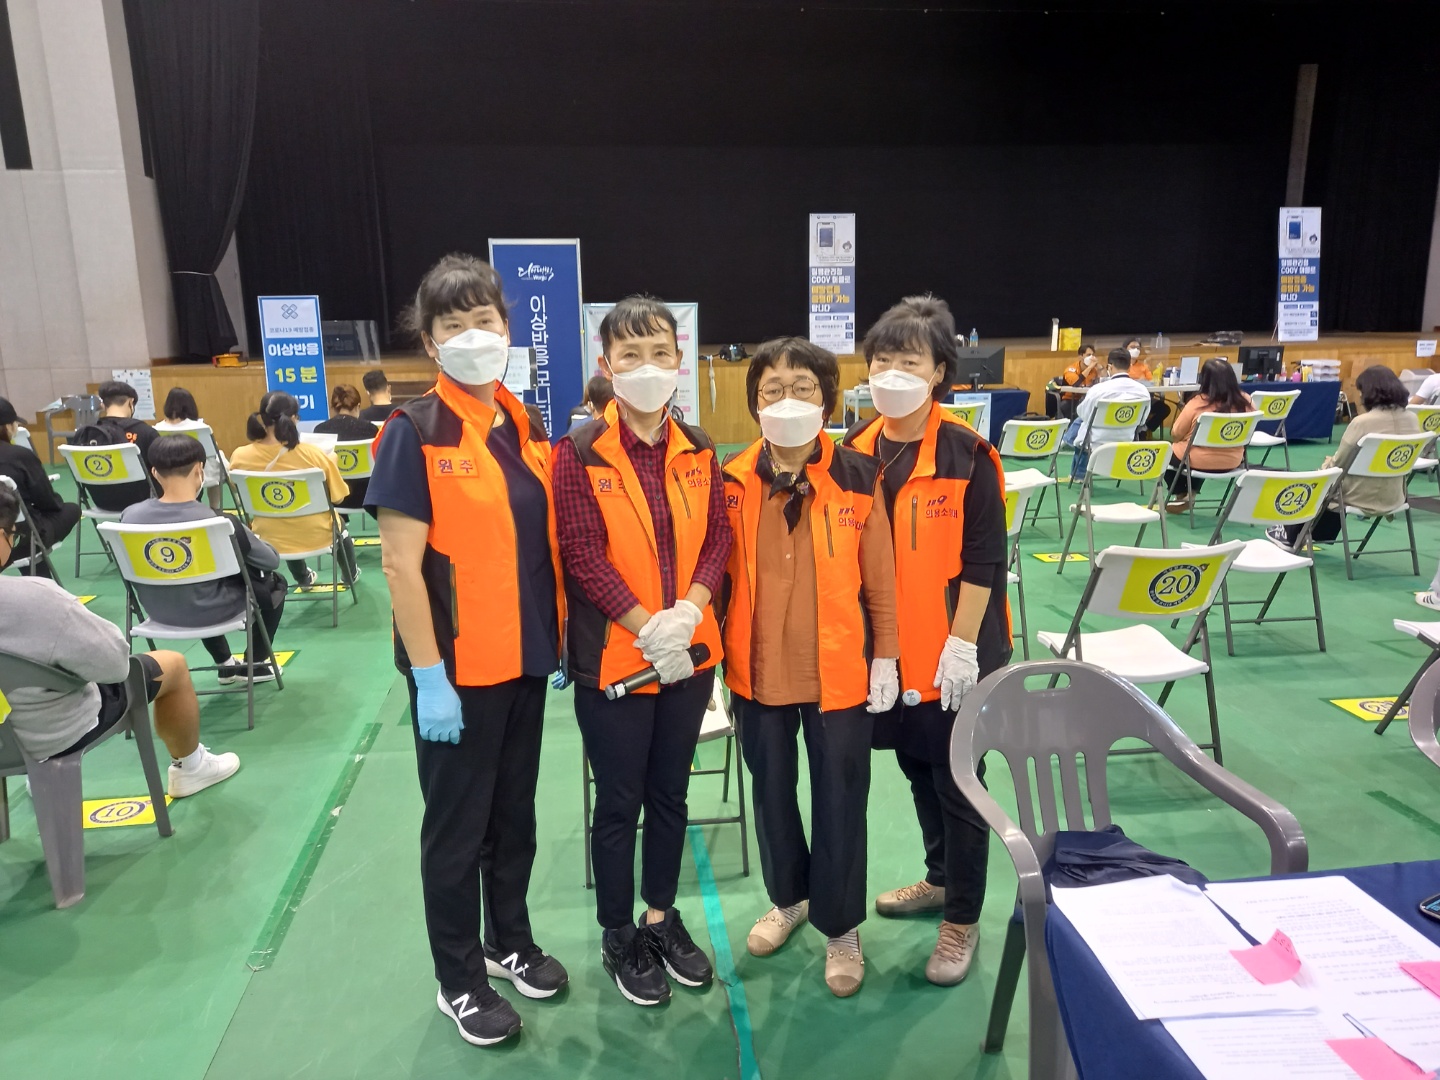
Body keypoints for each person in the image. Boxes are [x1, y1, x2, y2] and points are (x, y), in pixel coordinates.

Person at [366, 253, 568, 1048]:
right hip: (457, 674)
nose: (474, 336)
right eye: (454, 325)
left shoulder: (522, 424)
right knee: (456, 833)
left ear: (507, 328)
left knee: (513, 820)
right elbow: (399, 565)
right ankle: (459, 980)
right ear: (430, 342)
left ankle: (508, 941)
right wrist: (429, 677)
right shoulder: (412, 432)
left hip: (523, 661)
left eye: (485, 319)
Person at [552, 294, 733, 1007]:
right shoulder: (577, 452)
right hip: (615, 663)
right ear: (607, 365)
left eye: (660, 352)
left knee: (670, 794)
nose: (647, 366)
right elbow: (581, 553)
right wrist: (645, 625)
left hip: (687, 656)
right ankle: (618, 930)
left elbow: (718, 538)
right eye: (631, 355)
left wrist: (688, 612)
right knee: (619, 801)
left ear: (679, 360)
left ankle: (661, 917)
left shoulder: (700, 448)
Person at [721, 337, 899, 997]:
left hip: (840, 674)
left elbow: (880, 578)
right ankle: (788, 899)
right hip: (758, 671)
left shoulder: (859, 475)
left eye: (803, 388)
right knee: (771, 794)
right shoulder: (730, 478)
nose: (788, 400)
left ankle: (840, 925)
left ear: (826, 400)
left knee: (840, 800)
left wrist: (886, 655)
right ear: (754, 403)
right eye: (773, 389)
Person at [843, 294, 1011, 988]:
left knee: (958, 783)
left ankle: (962, 919)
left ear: (939, 371)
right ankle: (940, 880)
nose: (892, 374)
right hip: (890, 653)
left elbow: (984, 561)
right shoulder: (853, 450)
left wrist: (961, 645)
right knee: (916, 767)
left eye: (909, 362)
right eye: (882, 360)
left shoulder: (969, 455)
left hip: (954, 653)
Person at [0, 485, 238, 796]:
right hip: (48, 734)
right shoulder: (37, 598)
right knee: (173, 665)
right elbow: (115, 667)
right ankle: (191, 768)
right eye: (12, 535)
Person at [120, 435, 287, 683]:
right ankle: (256, 663)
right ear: (200, 470)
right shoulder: (219, 521)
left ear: (154, 472)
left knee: (192, 581)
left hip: (157, 611)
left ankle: (225, 664)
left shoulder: (129, 517)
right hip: (211, 611)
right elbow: (270, 561)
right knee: (275, 582)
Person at [1271, 365, 1421, 548]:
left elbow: (1339, 463)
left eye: (1361, 391)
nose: (1359, 396)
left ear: (1369, 392)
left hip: (1357, 495)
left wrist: (1324, 466)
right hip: (1394, 495)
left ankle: (1292, 534)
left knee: (1321, 480)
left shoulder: (1362, 423)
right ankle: (1302, 533)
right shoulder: (1413, 419)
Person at [229, 391, 357, 588]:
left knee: (281, 512)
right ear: (293, 419)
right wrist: (332, 462)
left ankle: (303, 578)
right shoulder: (313, 454)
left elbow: (237, 489)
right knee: (339, 527)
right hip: (319, 534)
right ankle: (350, 576)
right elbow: (338, 499)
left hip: (267, 536)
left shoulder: (240, 456)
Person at [0, 395, 80, 575]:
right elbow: (48, 502)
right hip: (21, 536)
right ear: (7, 426)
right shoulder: (19, 455)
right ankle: (38, 578)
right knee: (70, 510)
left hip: (11, 534)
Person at [1162, 359, 1253, 513]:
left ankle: (1182, 494)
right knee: (1195, 451)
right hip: (1233, 460)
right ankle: (1190, 493)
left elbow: (1176, 434)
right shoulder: (1246, 401)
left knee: (1167, 453)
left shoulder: (1197, 403)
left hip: (1197, 460)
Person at [1065, 347, 1152, 480]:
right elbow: (1142, 420)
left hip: (1096, 441)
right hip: (1126, 438)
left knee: (1082, 423)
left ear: (1110, 367)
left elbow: (1083, 413)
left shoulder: (1098, 390)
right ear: (1129, 367)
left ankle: (1079, 474)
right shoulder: (1143, 391)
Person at [76, 380, 157, 512]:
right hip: (141, 502)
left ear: (103, 405)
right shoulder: (146, 432)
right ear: (131, 402)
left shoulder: (83, 434)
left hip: (101, 502)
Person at [154, 387, 224, 510]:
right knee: (218, 459)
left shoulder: (156, 428)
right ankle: (215, 508)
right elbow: (211, 450)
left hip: (166, 471)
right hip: (198, 471)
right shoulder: (202, 428)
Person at [315, 384, 380, 511]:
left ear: (333, 408)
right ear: (358, 406)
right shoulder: (371, 429)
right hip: (367, 496)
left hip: (334, 497)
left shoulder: (320, 430)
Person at [1057, 344, 1101, 419]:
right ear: (1081, 357)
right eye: (1088, 355)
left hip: (1088, 398)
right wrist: (1089, 368)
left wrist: (1100, 368)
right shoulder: (1071, 369)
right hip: (1071, 399)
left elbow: (1105, 380)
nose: (1091, 357)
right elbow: (1076, 383)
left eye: (1093, 355)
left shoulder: (1094, 370)